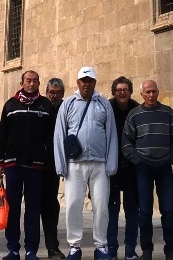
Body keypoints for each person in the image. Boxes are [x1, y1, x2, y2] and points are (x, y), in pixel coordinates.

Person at [54, 66, 118, 260]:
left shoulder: (103, 104)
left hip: (99, 164)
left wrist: (111, 164)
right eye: (83, 80)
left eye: (90, 81)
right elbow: (59, 134)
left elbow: (111, 134)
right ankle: (74, 246)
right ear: (78, 82)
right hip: (75, 164)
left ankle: (101, 246)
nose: (86, 84)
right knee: (73, 204)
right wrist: (61, 165)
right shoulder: (68, 104)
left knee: (101, 205)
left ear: (95, 83)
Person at [0, 70, 56, 260]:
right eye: (28, 81)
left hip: (36, 167)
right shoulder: (11, 105)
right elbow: (1, 134)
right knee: (12, 207)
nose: (31, 84)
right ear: (22, 83)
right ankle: (13, 248)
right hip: (13, 164)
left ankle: (31, 250)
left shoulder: (45, 106)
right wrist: (0, 161)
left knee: (33, 209)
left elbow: (51, 133)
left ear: (39, 83)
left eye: (35, 81)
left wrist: (45, 150)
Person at [121, 80, 173, 260]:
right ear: (141, 94)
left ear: (158, 92)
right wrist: (137, 160)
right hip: (143, 169)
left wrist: (172, 156)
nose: (151, 95)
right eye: (147, 92)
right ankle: (146, 250)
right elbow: (126, 141)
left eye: (154, 91)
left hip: (164, 167)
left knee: (168, 210)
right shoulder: (134, 115)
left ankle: (171, 249)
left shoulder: (167, 113)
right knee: (145, 210)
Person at [107, 77, 141, 260]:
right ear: (114, 91)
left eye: (125, 89)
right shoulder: (106, 108)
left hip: (131, 168)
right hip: (111, 168)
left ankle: (130, 249)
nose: (122, 92)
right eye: (119, 89)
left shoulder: (137, 109)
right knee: (111, 211)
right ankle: (111, 249)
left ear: (130, 92)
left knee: (132, 211)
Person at [43, 78, 67, 259]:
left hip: (55, 164)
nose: (54, 96)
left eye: (58, 93)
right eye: (51, 92)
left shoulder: (67, 109)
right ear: (46, 92)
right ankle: (29, 248)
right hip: (36, 163)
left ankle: (52, 247)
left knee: (51, 204)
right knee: (34, 205)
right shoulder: (39, 107)